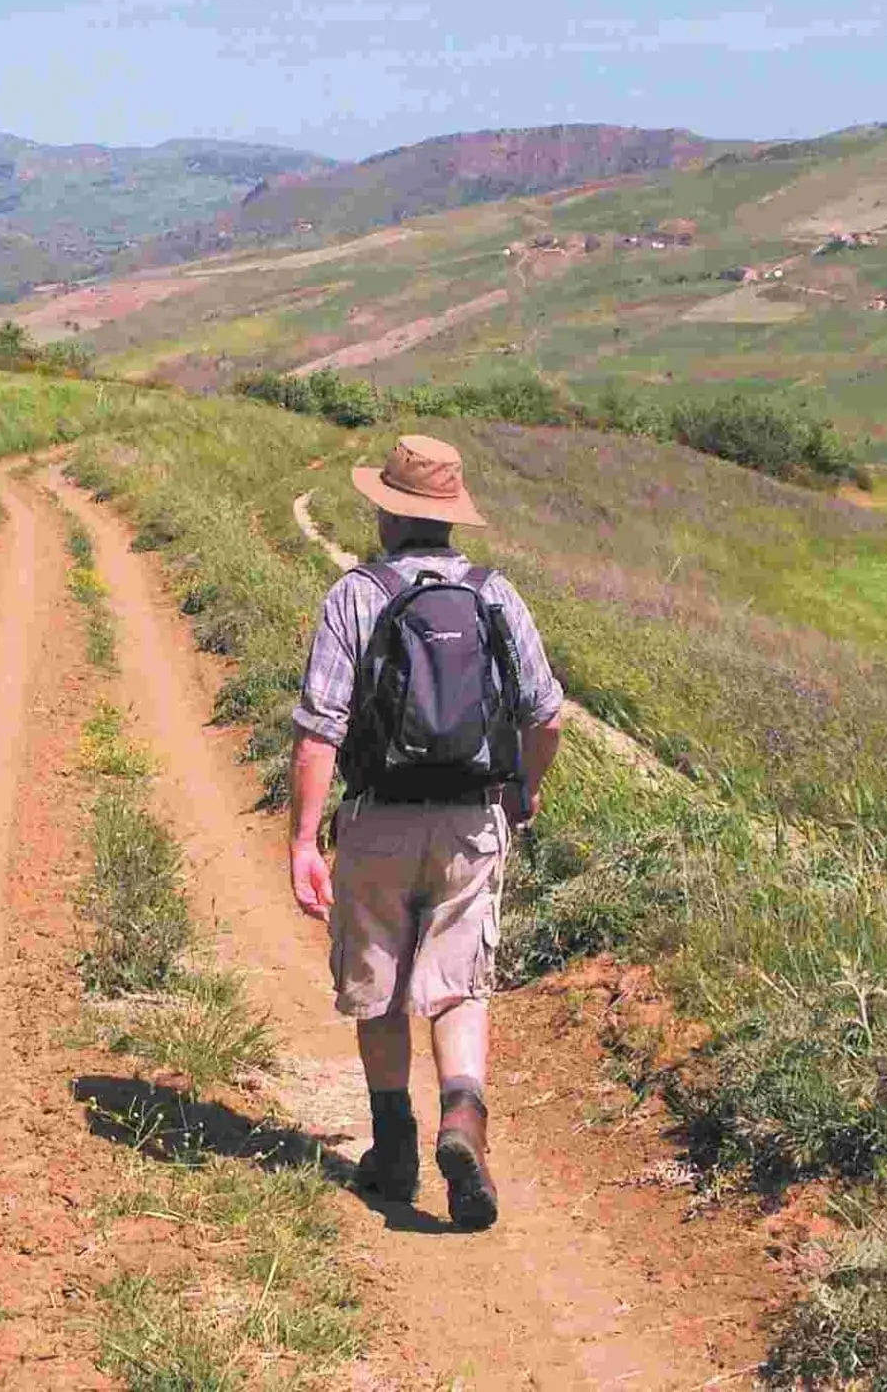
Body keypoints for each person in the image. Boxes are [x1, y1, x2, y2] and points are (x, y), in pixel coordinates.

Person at [286, 435, 563, 1229]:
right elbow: (546, 713)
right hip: (470, 819)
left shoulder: (356, 595)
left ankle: (394, 1147)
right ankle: (463, 1117)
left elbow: (318, 731)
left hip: (378, 816)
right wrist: (522, 789)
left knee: (378, 981)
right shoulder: (494, 593)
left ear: (388, 511)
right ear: (449, 518)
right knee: (459, 981)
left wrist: (305, 839)